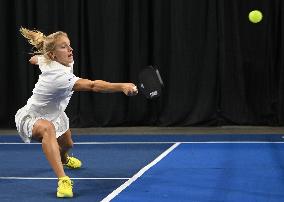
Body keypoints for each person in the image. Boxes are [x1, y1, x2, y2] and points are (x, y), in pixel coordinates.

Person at [15, 27, 138, 198]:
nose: (70, 50)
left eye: (69, 45)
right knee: (47, 129)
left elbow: (33, 59)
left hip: (56, 114)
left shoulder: (53, 60)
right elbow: (93, 85)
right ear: (53, 55)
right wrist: (122, 86)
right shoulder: (57, 75)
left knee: (67, 145)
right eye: (64, 47)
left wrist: (39, 59)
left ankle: (64, 159)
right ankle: (63, 180)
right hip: (32, 116)